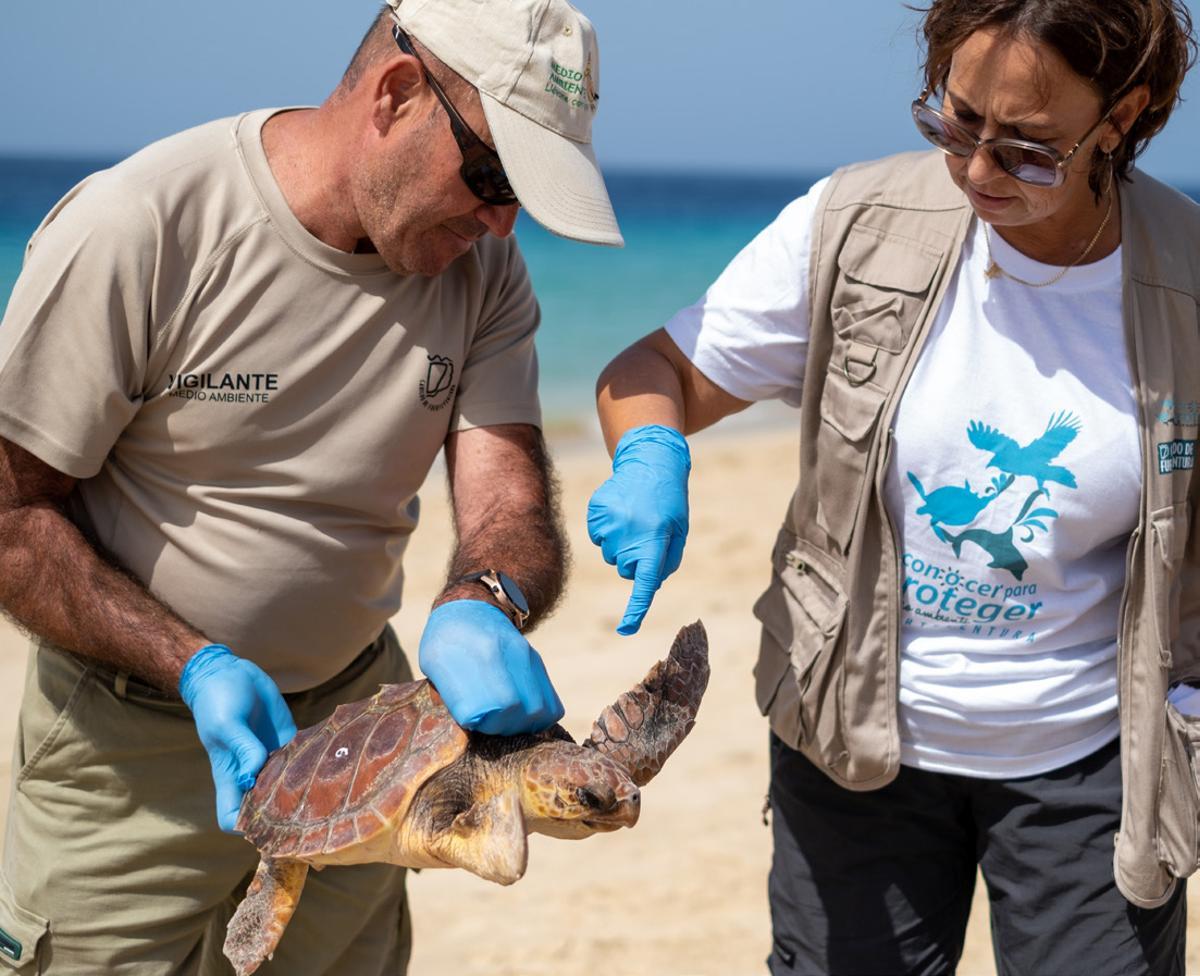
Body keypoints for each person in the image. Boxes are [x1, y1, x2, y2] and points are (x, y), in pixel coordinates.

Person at [0, 0, 621, 972]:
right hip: (130, 755)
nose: (503, 220)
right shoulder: (141, 227)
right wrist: (191, 662)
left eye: (524, 197)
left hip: (367, 733)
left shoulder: (486, 275)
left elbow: (506, 499)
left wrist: (484, 601)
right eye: (496, 174)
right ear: (397, 93)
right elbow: (11, 517)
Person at [586, 0, 1200, 972]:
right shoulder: (857, 226)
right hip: (853, 747)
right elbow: (655, 369)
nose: (979, 172)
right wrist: (649, 458)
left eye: (1030, 150)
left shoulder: (1188, 283)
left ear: (1120, 117)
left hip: (1095, 771)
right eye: (956, 123)